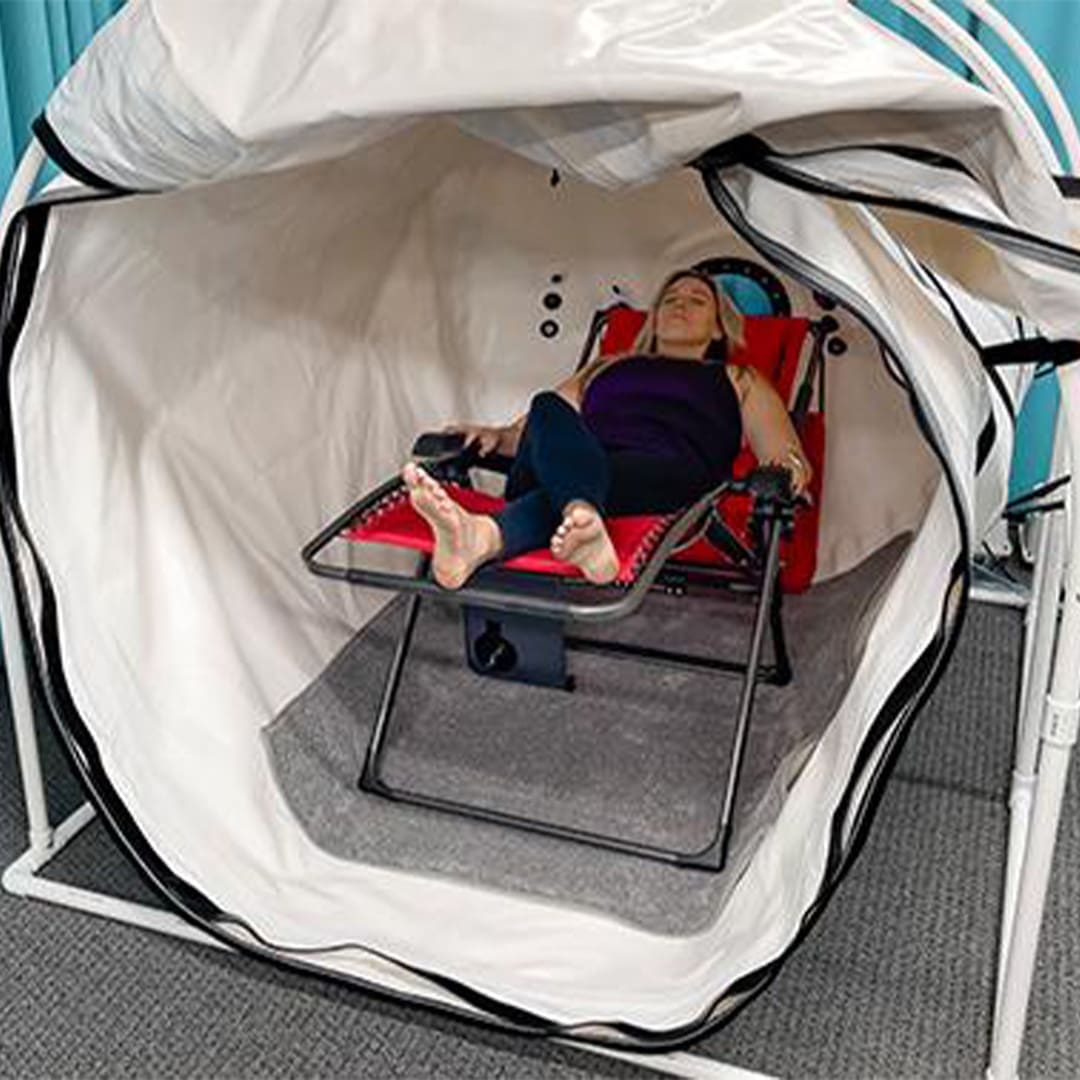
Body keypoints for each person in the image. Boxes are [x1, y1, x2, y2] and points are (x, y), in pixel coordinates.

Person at [402, 268, 812, 589]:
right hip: (584, 465)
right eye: (669, 299)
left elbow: (783, 453)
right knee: (546, 404)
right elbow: (537, 433)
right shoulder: (606, 366)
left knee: (575, 478)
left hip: (670, 476)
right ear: (652, 319)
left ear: (719, 325)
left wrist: (787, 472)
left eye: (696, 300)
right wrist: (496, 436)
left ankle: (485, 537)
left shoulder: (739, 378)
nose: (679, 306)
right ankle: (583, 520)